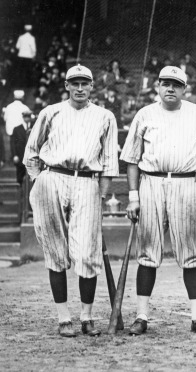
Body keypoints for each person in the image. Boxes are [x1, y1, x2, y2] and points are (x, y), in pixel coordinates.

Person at [120, 66, 196, 336]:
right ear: (157, 86)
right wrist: (133, 197)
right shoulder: (145, 114)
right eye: (165, 83)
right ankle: (141, 316)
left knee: (191, 253)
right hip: (151, 183)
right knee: (147, 253)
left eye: (176, 85)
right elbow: (131, 159)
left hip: (187, 183)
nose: (170, 88)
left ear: (184, 89)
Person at [23, 64, 119, 337]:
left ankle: (87, 317)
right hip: (52, 176)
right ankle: (64, 317)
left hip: (87, 180)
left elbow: (110, 162)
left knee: (87, 252)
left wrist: (100, 194)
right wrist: (38, 180)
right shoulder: (50, 112)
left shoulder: (105, 116)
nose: (79, 88)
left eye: (84, 83)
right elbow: (31, 152)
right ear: (66, 86)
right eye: (74, 83)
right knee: (55, 249)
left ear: (92, 87)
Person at [11, 110, 32, 184]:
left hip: (31, 157)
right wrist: (14, 155)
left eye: (28, 116)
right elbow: (13, 143)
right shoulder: (17, 129)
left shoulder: (34, 127)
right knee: (20, 178)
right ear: (23, 117)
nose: (27, 118)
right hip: (20, 156)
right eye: (25, 117)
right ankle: (20, 194)